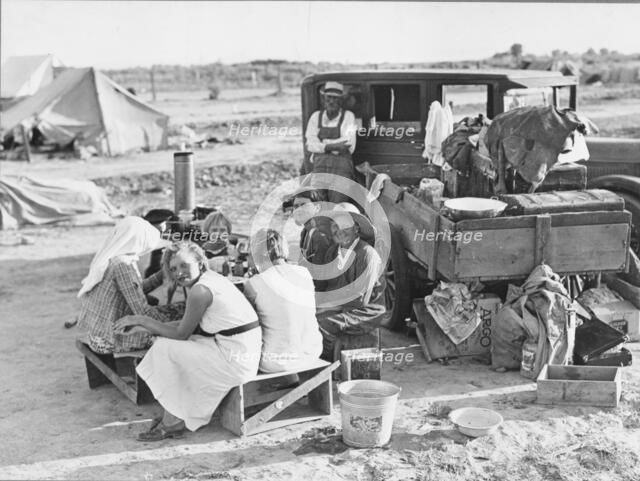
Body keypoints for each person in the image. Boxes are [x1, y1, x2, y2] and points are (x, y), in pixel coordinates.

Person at [115, 241, 261, 441]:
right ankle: (174, 413)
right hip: (240, 350)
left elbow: (181, 334)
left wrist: (141, 320)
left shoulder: (199, 292)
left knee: (165, 347)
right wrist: (145, 326)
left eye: (184, 265)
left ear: (200, 262)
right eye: (173, 269)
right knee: (169, 345)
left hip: (236, 359)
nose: (179, 273)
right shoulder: (212, 279)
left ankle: (173, 421)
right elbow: (187, 325)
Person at [77, 216, 182, 354]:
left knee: (174, 313)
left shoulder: (116, 257)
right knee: (177, 333)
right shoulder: (123, 265)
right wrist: (178, 315)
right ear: (139, 242)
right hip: (108, 340)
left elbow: (133, 291)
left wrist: (163, 273)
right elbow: (143, 312)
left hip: (98, 334)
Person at [244, 229, 323, 373]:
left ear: (260, 254)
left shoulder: (255, 283)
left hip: (276, 362)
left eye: (249, 254)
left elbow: (247, 324)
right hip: (312, 352)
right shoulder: (304, 273)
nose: (248, 259)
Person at [315, 203, 386, 360]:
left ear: (356, 229)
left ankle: (326, 369)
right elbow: (327, 288)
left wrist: (327, 307)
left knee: (322, 325)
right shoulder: (332, 252)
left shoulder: (367, 254)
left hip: (365, 313)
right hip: (340, 307)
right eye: (334, 225)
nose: (339, 230)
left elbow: (360, 301)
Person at [304, 81, 358, 204]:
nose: (331, 101)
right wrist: (333, 146)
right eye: (329, 98)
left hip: (341, 168)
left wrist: (322, 145)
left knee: (338, 206)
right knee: (317, 206)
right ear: (323, 99)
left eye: (335, 98)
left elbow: (348, 144)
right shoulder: (315, 117)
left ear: (341, 101)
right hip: (319, 170)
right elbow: (310, 144)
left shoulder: (348, 116)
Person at [291, 189, 332, 269]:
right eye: (296, 206)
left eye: (303, 205)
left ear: (317, 208)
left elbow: (320, 273)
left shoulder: (322, 234)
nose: (299, 210)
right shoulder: (305, 232)